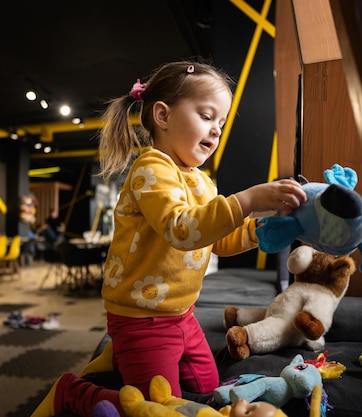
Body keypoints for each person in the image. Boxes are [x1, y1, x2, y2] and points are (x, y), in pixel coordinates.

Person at [31, 59, 307, 417]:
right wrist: (249, 200)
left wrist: (261, 231)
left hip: (182, 314)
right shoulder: (151, 169)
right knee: (157, 409)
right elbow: (181, 229)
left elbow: (215, 240)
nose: (216, 130)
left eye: (221, 123)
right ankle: (73, 392)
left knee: (209, 390)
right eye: (207, 116)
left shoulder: (201, 180)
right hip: (141, 319)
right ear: (163, 115)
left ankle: (120, 363)